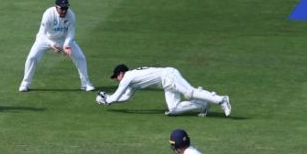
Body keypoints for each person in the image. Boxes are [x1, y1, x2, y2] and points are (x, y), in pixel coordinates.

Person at [18, 0, 95, 93]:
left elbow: (71, 33)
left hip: (63, 39)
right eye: (62, 8)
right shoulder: (48, 14)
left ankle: (86, 84)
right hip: (45, 39)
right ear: (56, 7)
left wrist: (66, 45)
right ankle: (25, 83)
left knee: (80, 57)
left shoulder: (71, 15)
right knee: (32, 57)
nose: (64, 11)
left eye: (66, 8)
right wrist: (51, 44)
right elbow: (42, 33)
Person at [97, 63, 230, 117]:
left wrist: (106, 99)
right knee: (173, 109)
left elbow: (115, 97)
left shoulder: (128, 77)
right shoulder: (132, 81)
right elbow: (126, 97)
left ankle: (221, 100)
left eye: (116, 77)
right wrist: (108, 98)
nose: (117, 79)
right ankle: (203, 103)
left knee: (190, 93)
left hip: (168, 76)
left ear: (121, 73)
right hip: (166, 83)